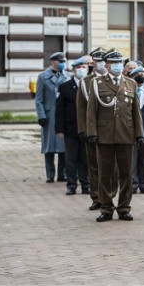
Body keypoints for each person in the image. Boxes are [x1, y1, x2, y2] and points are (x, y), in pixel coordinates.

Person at [86, 49, 144, 222]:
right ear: (107, 65)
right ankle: (106, 208)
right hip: (104, 135)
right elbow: (91, 111)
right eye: (114, 63)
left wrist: (139, 133)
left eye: (120, 62)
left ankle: (124, 207)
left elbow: (136, 112)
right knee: (105, 174)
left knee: (126, 173)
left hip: (126, 134)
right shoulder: (97, 83)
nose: (118, 66)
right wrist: (92, 133)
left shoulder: (130, 83)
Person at [76, 47, 117, 211]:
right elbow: (81, 108)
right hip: (93, 130)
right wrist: (83, 130)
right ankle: (96, 197)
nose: (100, 64)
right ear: (92, 62)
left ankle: (110, 195)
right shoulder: (86, 82)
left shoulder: (114, 79)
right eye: (97, 61)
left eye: (103, 60)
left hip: (111, 130)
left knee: (111, 166)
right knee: (94, 165)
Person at [55, 57, 90, 196]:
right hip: (70, 129)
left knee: (85, 158)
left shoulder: (91, 85)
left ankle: (86, 184)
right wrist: (59, 129)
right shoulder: (65, 86)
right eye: (79, 67)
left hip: (87, 128)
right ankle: (71, 185)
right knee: (71, 158)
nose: (82, 70)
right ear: (74, 70)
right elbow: (60, 110)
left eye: (84, 67)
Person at [35, 51, 69, 183]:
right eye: (60, 61)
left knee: (63, 146)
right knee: (48, 146)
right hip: (49, 116)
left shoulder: (67, 76)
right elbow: (39, 99)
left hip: (63, 115)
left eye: (63, 62)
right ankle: (50, 174)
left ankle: (62, 174)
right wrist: (41, 115)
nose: (62, 64)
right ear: (53, 62)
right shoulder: (43, 77)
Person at [128, 66, 144, 194]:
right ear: (132, 77)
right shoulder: (128, 90)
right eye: (138, 74)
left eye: (143, 74)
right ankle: (133, 183)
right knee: (133, 158)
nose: (141, 76)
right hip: (132, 130)